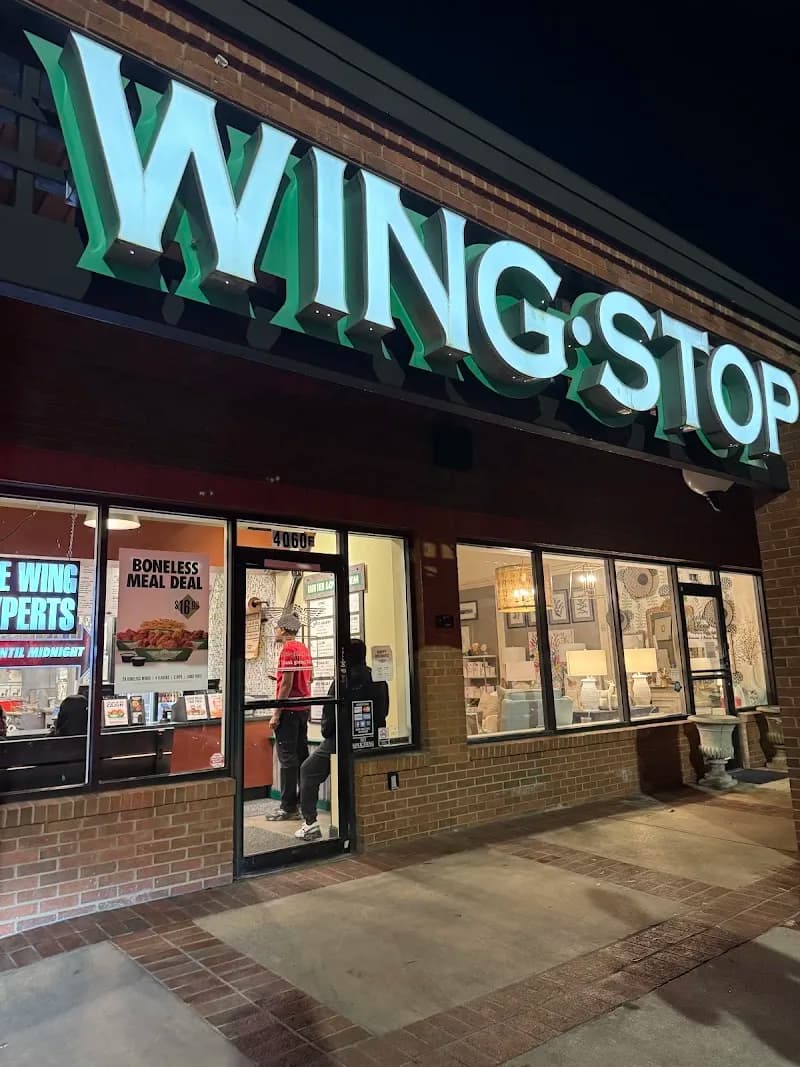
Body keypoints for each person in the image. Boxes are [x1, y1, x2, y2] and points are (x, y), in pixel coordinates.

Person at [295, 638, 389, 841]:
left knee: (308, 771)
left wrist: (328, 734)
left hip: (340, 739)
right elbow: (384, 710)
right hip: (371, 739)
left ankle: (310, 823)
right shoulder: (378, 678)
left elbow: (328, 719)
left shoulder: (341, 681)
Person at [267, 611, 313, 821]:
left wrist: (276, 714)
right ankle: (305, 805)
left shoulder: (287, 649)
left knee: (287, 760)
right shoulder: (303, 648)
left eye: (277, 628)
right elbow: (307, 677)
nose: (275, 631)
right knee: (301, 757)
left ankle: (288, 807)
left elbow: (286, 683)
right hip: (303, 709)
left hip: (289, 711)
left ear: (284, 629)